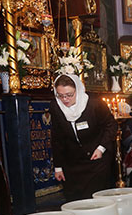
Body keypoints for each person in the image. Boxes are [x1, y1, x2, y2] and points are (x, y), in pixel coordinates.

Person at [50, 74, 117, 202]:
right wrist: (58, 167)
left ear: (78, 90)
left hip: (96, 159)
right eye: (60, 95)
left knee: (96, 200)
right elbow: (57, 138)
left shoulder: (94, 103)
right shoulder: (55, 107)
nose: (65, 99)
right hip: (73, 163)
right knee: (76, 201)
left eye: (69, 95)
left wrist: (101, 148)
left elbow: (111, 125)